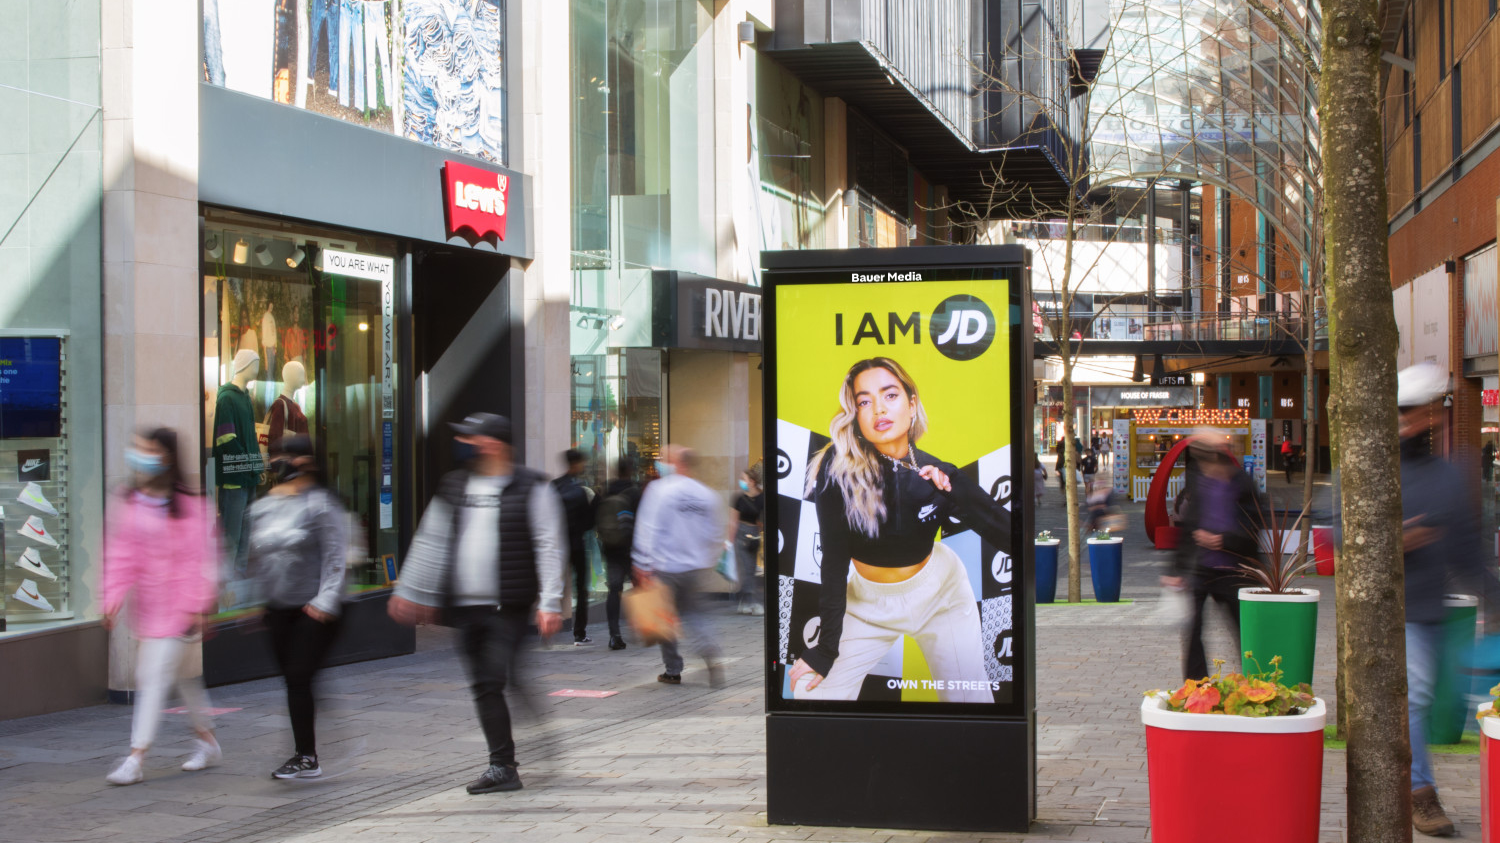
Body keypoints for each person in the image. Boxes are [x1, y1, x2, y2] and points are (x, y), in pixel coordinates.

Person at [787, 358, 1011, 702]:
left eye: (890, 395)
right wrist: (826, 649)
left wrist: (953, 492)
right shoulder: (836, 470)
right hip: (868, 602)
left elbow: (1007, 534)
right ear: (856, 415)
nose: (878, 408)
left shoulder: (939, 473)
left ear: (912, 403)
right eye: (864, 401)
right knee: (810, 691)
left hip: (941, 594)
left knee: (971, 698)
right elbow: (833, 562)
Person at [387, 413, 565, 795]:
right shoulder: (455, 484)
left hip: (508, 606)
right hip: (466, 609)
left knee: (491, 680)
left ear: (494, 444)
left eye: (473, 438)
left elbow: (550, 545)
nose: (465, 444)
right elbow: (431, 539)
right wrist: (413, 591)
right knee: (489, 685)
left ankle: (504, 765)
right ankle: (510, 758)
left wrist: (550, 602)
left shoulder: (531, 487)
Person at [1384, 362, 1500, 836]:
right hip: (1396, 609)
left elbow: (1468, 548)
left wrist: (1493, 604)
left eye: (1426, 412)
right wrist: (1398, 539)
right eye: (1408, 412)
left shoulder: (1450, 474)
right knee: (1418, 695)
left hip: (1436, 609)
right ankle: (1419, 794)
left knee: (1441, 703)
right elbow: (1349, 537)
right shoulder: (1375, 470)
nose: (1417, 422)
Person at [101, 428, 221, 786]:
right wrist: (112, 598)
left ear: (166, 457)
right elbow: (122, 555)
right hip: (150, 610)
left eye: (148, 450)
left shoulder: (191, 504)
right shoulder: (130, 502)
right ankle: (208, 741)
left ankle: (136, 757)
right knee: (185, 679)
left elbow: (202, 558)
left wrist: (199, 604)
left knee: (151, 677)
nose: (140, 456)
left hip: (182, 609)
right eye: (138, 449)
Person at [246, 435, 349, 780]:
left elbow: (336, 556)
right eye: (277, 457)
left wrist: (324, 602)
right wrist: (252, 602)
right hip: (278, 608)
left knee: (298, 676)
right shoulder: (264, 505)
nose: (282, 462)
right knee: (296, 680)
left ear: (308, 462)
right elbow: (257, 556)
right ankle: (311, 740)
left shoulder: (321, 504)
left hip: (314, 609)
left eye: (290, 457)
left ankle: (306, 756)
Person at [1163, 433, 1262, 682]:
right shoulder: (1198, 480)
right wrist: (1176, 569)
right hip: (1201, 567)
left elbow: (1255, 528)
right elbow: (1189, 527)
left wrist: (1222, 540)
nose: (1205, 466)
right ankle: (1198, 687)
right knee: (1192, 629)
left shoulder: (1243, 483)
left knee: (1245, 631)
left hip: (1234, 569)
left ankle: (1256, 683)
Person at [632, 445, 727, 686]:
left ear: (676, 463)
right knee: (695, 615)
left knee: (663, 621)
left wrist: (641, 564)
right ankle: (710, 654)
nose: (661, 463)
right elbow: (716, 533)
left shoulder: (659, 490)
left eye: (665, 459)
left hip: (665, 567)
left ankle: (673, 669)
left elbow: (647, 530)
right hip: (693, 568)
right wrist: (707, 559)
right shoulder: (706, 495)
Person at [595, 457, 642, 650]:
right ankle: (640, 626)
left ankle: (614, 634)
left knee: (614, 590)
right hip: (632, 548)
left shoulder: (606, 490)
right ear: (630, 470)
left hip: (611, 548)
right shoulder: (635, 492)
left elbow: (596, 517)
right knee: (640, 588)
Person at [553, 449, 596, 646]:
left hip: (557, 544)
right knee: (581, 588)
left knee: (554, 585)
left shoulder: (553, 487)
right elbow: (588, 522)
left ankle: (549, 624)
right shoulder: (579, 491)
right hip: (576, 544)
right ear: (576, 464)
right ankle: (579, 632)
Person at [729, 465, 765, 615]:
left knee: (749, 570)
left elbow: (762, 521)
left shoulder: (762, 498)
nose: (741, 482)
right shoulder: (739, 498)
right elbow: (733, 521)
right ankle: (753, 603)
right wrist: (728, 541)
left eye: (743, 479)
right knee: (747, 569)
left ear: (751, 481)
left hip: (755, 535)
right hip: (741, 536)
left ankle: (744, 602)